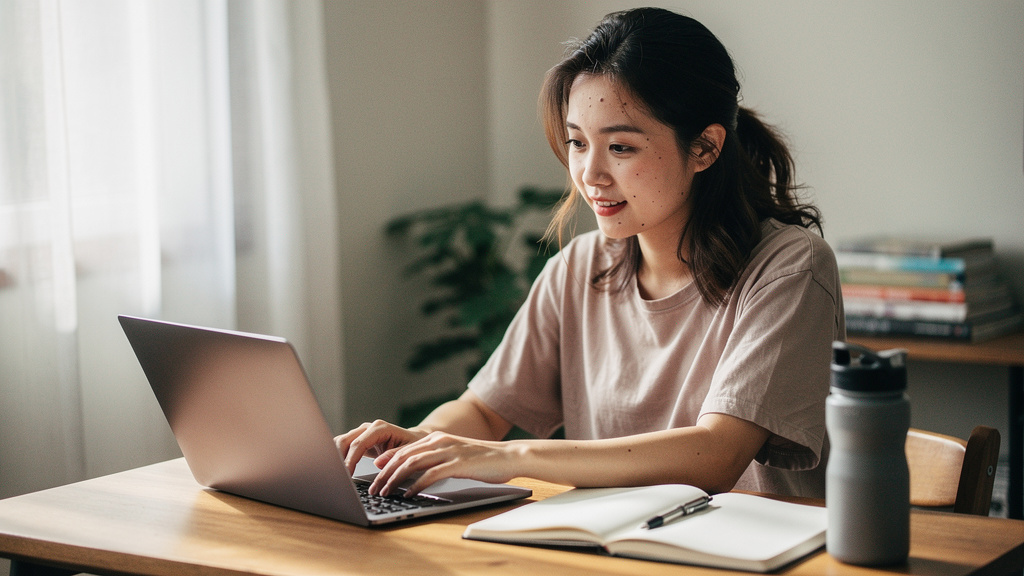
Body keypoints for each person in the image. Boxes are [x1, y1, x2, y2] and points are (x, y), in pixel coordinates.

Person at [337, 7, 844, 500]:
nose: (590, 175)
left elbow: (717, 454)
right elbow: (484, 412)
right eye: (578, 143)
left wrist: (514, 456)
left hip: (749, 546)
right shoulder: (579, 268)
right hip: (607, 543)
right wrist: (414, 445)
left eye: (620, 147)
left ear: (705, 148)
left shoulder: (789, 268)